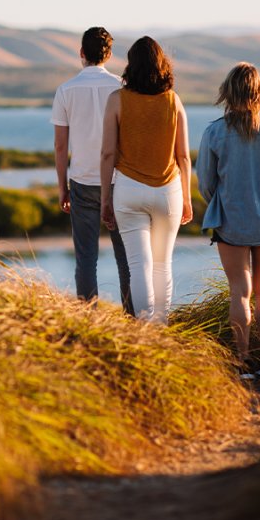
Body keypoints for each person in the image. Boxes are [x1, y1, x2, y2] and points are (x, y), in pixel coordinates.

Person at [196, 62, 260, 380]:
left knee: (238, 291)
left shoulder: (214, 131)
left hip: (231, 221)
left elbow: (205, 183)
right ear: (259, 91)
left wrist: (223, 199)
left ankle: (243, 361)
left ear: (227, 92)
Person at [99, 36, 193, 324]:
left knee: (139, 264)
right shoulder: (173, 100)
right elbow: (184, 157)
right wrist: (188, 198)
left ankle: (145, 329)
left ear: (131, 66)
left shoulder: (117, 100)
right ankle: (161, 326)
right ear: (162, 64)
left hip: (128, 189)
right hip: (168, 191)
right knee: (162, 264)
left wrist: (105, 199)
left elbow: (107, 154)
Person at [52, 27, 134, 314]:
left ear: (81, 53)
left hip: (82, 182)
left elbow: (61, 148)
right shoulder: (123, 88)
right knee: (126, 259)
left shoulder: (66, 90)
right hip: (119, 181)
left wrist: (63, 188)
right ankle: (134, 321)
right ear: (109, 55)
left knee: (86, 258)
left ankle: (89, 318)